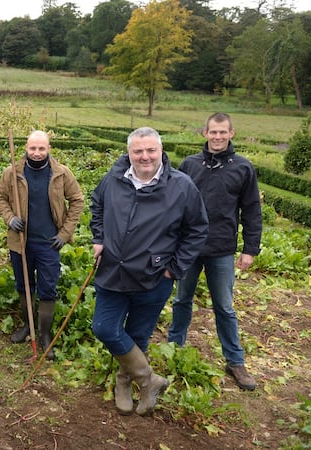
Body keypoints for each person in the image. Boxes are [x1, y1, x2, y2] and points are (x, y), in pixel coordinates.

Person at [90, 127, 208, 416]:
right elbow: (98, 206)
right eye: (138, 151)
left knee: (138, 335)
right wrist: (98, 238)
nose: (145, 156)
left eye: (150, 150)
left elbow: (197, 229)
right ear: (129, 152)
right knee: (104, 328)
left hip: (153, 277)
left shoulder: (181, 186)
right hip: (112, 272)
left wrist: (174, 268)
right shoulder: (114, 179)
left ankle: (124, 383)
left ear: (160, 150)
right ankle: (148, 380)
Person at [167, 113, 262, 391]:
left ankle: (235, 361)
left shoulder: (243, 168)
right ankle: (175, 347)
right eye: (213, 132)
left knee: (224, 306)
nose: (218, 137)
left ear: (232, 133)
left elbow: (252, 211)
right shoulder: (189, 165)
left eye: (223, 132)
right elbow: (174, 205)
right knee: (182, 299)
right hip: (188, 248)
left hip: (221, 248)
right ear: (205, 133)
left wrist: (250, 249)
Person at [0, 130, 84, 360]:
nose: (36, 153)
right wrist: (10, 218)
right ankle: (28, 326)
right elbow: (0, 198)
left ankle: (44, 334)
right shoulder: (12, 173)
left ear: (49, 148)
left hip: (49, 244)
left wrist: (64, 234)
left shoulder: (61, 174)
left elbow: (77, 200)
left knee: (47, 289)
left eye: (41, 148)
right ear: (26, 147)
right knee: (24, 286)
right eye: (32, 148)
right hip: (21, 243)